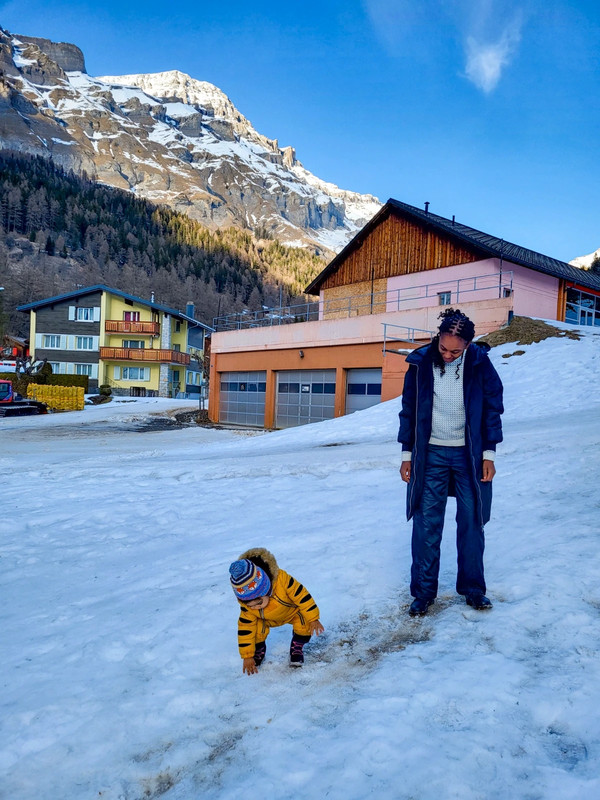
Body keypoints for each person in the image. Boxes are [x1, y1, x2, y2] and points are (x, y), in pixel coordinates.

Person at [398, 308, 504, 616]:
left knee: (472, 521)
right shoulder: (419, 365)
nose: (448, 354)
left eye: (455, 351)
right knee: (426, 524)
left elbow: (492, 410)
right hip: (429, 455)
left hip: (468, 456)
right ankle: (423, 593)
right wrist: (407, 454)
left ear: (469, 345)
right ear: (437, 339)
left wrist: (489, 454)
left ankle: (473, 589)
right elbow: (409, 412)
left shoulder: (480, 364)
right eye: (443, 348)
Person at [229, 547, 324, 673]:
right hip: (265, 619)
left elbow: (302, 596)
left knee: (304, 620)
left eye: (258, 603)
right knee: (255, 627)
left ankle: (297, 647)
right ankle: (258, 650)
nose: (255, 607)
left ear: (266, 589)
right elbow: (245, 629)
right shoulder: (249, 607)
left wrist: (313, 618)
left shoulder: (282, 580)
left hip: (291, 613)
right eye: (250, 605)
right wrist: (247, 656)